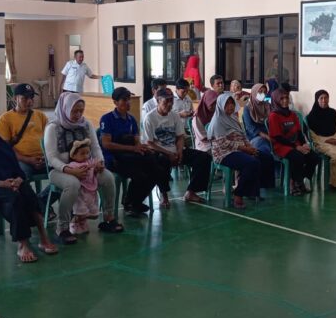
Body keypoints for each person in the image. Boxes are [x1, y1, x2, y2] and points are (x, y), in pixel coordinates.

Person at [0, 114, 58, 262]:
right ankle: (23, 244)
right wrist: (1, 183)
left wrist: (18, 179)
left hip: (10, 182)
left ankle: (43, 237)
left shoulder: (1, 145)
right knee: (14, 198)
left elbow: (16, 168)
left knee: (28, 193)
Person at [44, 92, 123, 243]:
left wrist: (99, 162)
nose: (78, 115)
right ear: (65, 109)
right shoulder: (53, 127)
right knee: (72, 183)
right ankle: (62, 228)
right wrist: (70, 170)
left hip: (87, 167)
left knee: (108, 177)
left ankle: (108, 218)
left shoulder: (86, 124)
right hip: (59, 170)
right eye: (74, 111)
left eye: (81, 111)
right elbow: (52, 158)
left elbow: (95, 147)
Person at [99, 87, 167, 216]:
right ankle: (130, 203)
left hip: (130, 156)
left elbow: (136, 142)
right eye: (124, 100)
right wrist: (133, 148)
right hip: (113, 158)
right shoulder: (107, 119)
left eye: (129, 99)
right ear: (115, 102)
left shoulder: (131, 120)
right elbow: (106, 144)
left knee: (155, 167)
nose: (128, 102)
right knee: (143, 174)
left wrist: (142, 147)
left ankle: (133, 202)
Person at [142, 87, 211, 205]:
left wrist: (179, 152)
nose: (169, 104)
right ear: (158, 101)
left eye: (171, 101)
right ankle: (164, 195)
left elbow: (180, 137)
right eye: (166, 101)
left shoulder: (174, 115)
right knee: (161, 161)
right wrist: (169, 153)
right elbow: (150, 143)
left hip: (176, 151)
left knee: (204, 157)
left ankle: (191, 192)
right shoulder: (150, 118)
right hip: (160, 152)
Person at [209, 93, 275, 209]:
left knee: (266, 157)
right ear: (221, 105)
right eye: (227, 104)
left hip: (240, 149)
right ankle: (238, 194)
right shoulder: (217, 121)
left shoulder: (233, 118)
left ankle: (253, 190)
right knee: (251, 163)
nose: (230, 106)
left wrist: (250, 147)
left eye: (232, 103)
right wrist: (245, 149)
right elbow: (223, 143)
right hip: (224, 153)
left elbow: (243, 135)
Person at [268, 87, 320, 196]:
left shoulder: (292, 114)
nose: (285, 101)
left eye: (286, 98)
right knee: (298, 157)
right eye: (282, 99)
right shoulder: (273, 116)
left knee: (315, 157)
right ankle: (295, 183)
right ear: (276, 100)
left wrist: (304, 144)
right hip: (281, 146)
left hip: (295, 145)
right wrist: (296, 147)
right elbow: (278, 137)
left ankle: (299, 179)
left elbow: (299, 132)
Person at [0, 83, 48, 179]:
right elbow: (5, 147)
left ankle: (48, 191)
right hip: (21, 160)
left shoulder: (41, 116)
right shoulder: (5, 119)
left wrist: (45, 157)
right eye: (25, 98)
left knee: (61, 169)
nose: (29, 101)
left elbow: (49, 140)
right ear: (15, 98)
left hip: (43, 159)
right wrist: (28, 160)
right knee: (22, 175)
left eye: (31, 98)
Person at [66, 139, 100, 235]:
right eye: (82, 153)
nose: (86, 156)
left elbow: (95, 165)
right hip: (81, 193)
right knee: (81, 212)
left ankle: (82, 222)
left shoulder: (89, 162)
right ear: (73, 155)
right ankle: (74, 222)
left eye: (87, 153)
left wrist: (97, 167)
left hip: (91, 192)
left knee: (93, 213)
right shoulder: (73, 165)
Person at [242, 83, 272, 155]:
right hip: (254, 136)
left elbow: (272, 121)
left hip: (269, 133)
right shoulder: (248, 108)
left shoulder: (268, 105)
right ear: (254, 92)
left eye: (264, 92)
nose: (263, 94)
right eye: (260, 92)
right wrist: (265, 136)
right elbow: (250, 127)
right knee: (262, 145)